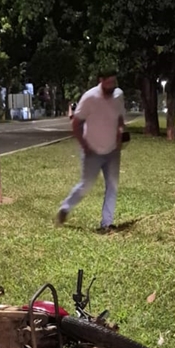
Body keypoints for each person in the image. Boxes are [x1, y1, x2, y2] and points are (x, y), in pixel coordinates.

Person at [56, 69, 126, 233]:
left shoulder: (118, 95)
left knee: (113, 186)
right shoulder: (89, 97)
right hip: (92, 151)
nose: (111, 86)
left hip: (112, 151)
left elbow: (120, 117)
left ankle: (107, 223)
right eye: (108, 82)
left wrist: (120, 132)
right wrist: (84, 145)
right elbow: (76, 123)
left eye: (114, 82)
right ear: (101, 80)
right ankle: (65, 208)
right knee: (86, 185)